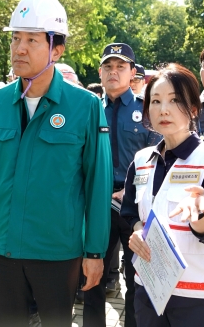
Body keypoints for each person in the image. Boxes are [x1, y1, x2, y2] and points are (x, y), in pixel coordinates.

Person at [0, 0, 112, 327]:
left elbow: (97, 185)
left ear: (56, 49)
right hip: (4, 249)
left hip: (58, 251)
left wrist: (94, 252)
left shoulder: (85, 106)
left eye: (31, 39)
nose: (19, 48)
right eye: (16, 38)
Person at [121, 63, 204, 326]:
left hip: (199, 296)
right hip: (150, 289)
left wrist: (199, 214)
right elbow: (130, 211)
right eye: (155, 101)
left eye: (175, 100)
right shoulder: (142, 160)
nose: (163, 109)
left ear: (194, 109)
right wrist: (139, 229)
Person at [84, 43, 159, 327]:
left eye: (120, 67)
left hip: (134, 205)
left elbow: (156, 158)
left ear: (132, 73)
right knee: (92, 275)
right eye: (108, 67)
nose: (113, 72)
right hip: (96, 205)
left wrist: (130, 189)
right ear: (101, 72)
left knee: (136, 274)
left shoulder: (147, 109)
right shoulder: (88, 109)